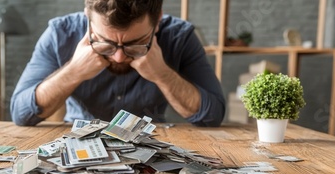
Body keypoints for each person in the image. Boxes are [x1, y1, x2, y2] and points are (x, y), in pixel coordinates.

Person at [11, 0, 225, 127]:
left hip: (152, 146)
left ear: (157, 20)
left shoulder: (181, 37)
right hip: (77, 142)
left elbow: (212, 116)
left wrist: (163, 74)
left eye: (137, 43)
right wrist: (73, 71)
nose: (119, 57)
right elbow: (21, 114)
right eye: (105, 42)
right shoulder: (60, 33)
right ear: (88, 17)